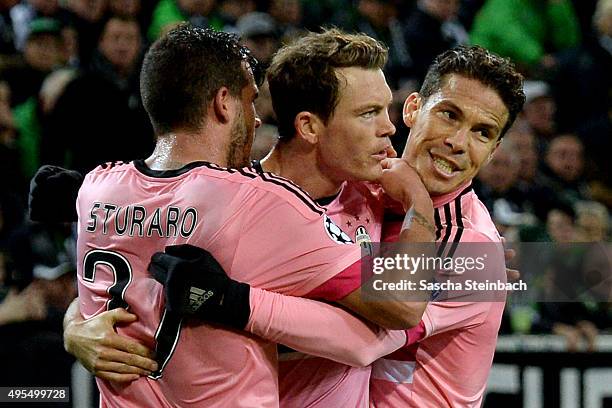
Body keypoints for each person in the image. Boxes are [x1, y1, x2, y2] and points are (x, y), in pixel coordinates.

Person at [59, 37, 523, 407]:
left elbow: (367, 341)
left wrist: (234, 304)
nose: (458, 143)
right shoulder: (342, 190)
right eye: (448, 115)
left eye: (482, 133)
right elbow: (136, 255)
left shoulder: (472, 251)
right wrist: (77, 324)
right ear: (415, 109)